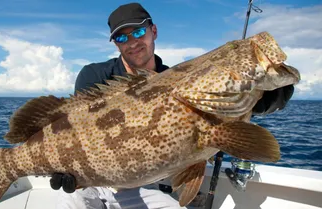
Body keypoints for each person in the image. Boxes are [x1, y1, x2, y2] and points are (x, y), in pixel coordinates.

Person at [49, 2, 295, 208]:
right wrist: (66, 169)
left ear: (153, 31)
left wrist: (268, 87)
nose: (133, 42)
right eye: (123, 37)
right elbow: (75, 131)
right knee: (69, 198)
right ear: (116, 44)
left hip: (146, 185)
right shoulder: (94, 76)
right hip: (94, 181)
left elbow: (252, 105)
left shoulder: (178, 79)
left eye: (138, 32)